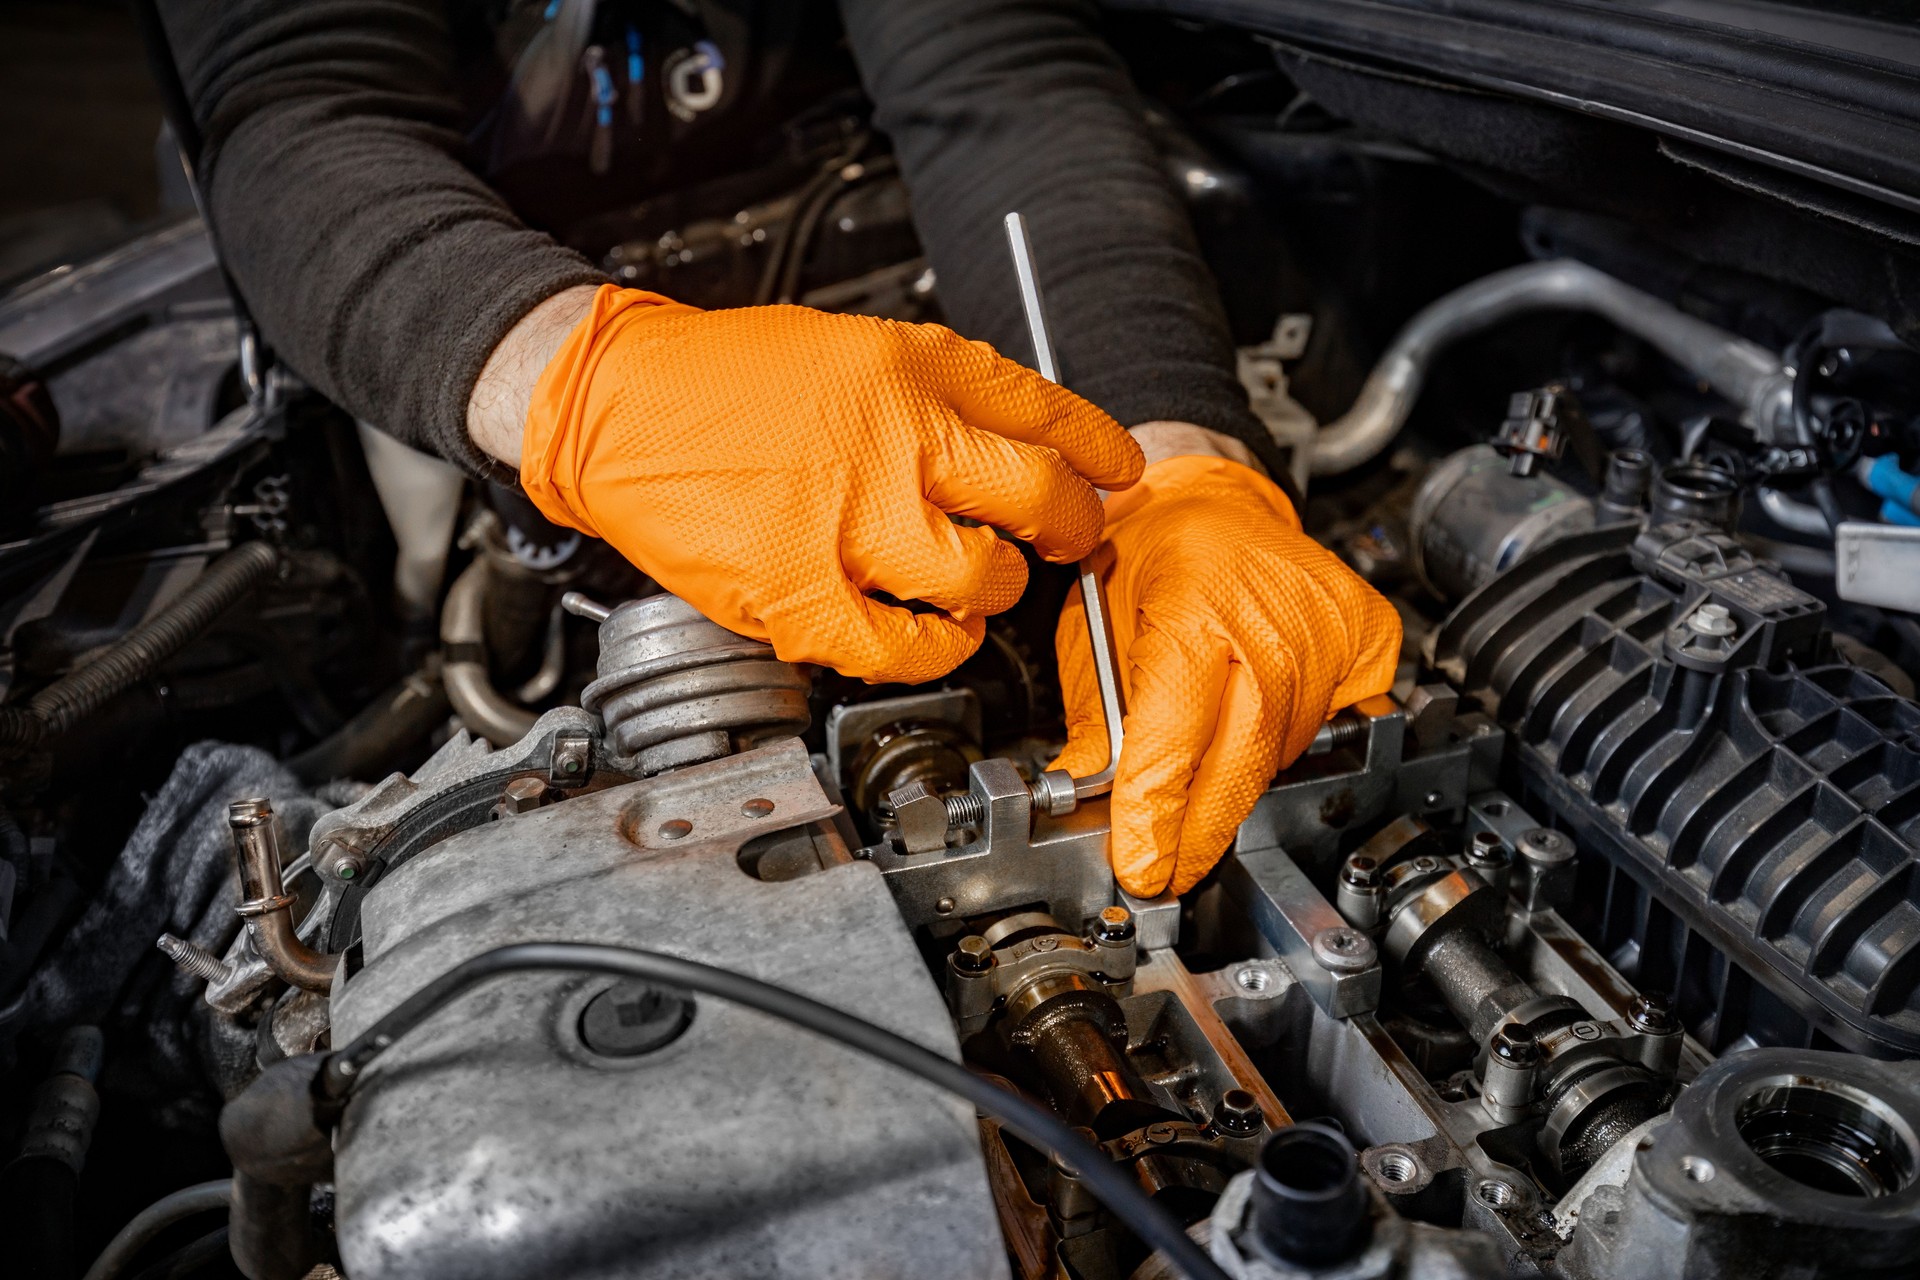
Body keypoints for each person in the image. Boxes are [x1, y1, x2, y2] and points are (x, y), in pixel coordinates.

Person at [155, 0, 1399, 899]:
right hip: (463, 314)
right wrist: (583, 386)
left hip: (863, 245)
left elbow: (995, 71)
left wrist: (1173, 468)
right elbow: (295, 113)